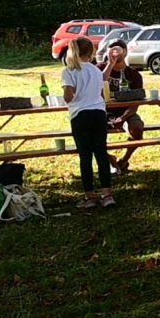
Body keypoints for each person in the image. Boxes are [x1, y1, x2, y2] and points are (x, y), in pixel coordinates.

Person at [62, 37, 117, 208]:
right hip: (99, 113)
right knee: (101, 153)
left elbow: (68, 96)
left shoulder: (69, 71)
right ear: (91, 53)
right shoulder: (93, 69)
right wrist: (111, 64)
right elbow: (102, 80)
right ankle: (107, 194)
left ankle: (89, 195)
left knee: (85, 156)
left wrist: (67, 96)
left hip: (80, 114)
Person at [97, 40, 145, 174]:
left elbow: (135, 103)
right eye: (111, 50)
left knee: (137, 128)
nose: (115, 53)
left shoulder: (133, 75)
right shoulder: (99, 69)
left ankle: (124, 159)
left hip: (125, 111)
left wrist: (123, 117)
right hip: (101, 111)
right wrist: (109, 65)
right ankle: (110, 160)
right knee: (92, 134)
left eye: (118, 50)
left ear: (125, 52)